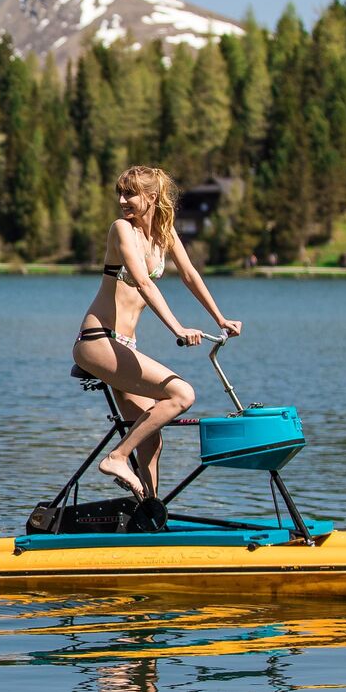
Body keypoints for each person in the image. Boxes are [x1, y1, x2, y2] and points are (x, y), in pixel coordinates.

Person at [72, 166, 242, 501]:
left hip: (125, 345)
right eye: (120, 193)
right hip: (98, 340)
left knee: (150, 435)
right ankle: (117, 458)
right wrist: (178, 328)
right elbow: (144, 282)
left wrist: (221, 319)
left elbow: (190, 275)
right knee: (181, 395)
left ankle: (150, 514)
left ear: (152, 197)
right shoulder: (121, 230)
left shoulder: (165, 234)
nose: (122, 200)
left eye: (130, 194)